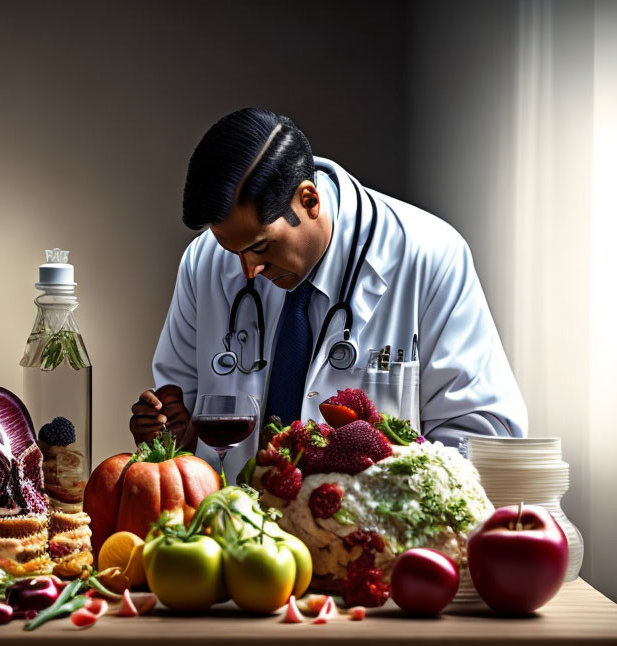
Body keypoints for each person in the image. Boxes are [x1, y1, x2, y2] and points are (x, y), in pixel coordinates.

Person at [130, 107, 527, 481]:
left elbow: (481, 438)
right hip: (239, 543)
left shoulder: (429, 254)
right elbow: (181, 417)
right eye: (232, 250)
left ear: (309, 200)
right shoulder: (204, 261)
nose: (247, 271)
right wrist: (171, 438)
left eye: (261, 247)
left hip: (374, 542)